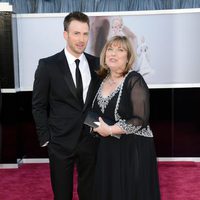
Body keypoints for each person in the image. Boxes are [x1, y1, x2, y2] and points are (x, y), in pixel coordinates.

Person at [32, 11, 100, 200]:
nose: (81, 39)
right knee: (62, 196)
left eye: (85, 34)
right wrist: (46, 139)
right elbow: (38, 105)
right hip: (60, 144)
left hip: (90, 141)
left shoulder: (96, 64)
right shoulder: (48, 65)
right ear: (65, 35)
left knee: (90, 194)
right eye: (76, 33)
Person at [91, 36, 160, 200]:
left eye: (120, 50)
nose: (113, 54)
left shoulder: (134, 79)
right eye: (110, 49)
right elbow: (94, 113)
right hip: (108, 148)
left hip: (133, 149)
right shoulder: (102, 80)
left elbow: (140, 119)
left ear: (128, 57)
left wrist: (109, 130)